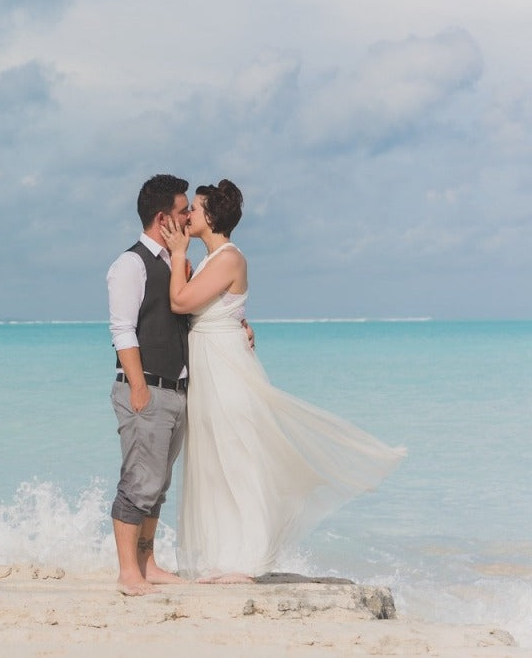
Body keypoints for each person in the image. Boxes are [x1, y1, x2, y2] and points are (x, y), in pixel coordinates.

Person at [159, 179, 406, 583]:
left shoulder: (228, 257)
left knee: (238, 460)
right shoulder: (208, 260)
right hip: (209, 367)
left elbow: (180, 302)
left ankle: (248, 562)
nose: (189, 216)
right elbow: (209, 308)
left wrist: (177, 253)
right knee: (214, 463)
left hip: (226, 370)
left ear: (212, 216)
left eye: (196, 209)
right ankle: (224, 556)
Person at [106, 174, 192, 595]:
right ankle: (128, 573)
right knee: (138, 482)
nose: (191, 216)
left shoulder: (175, 264)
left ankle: (148, 562)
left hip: (174, 390)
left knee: (158, 484)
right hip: (146, 388)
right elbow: (123, 330)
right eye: (184, 210)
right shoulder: (131, 263)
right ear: (163, 218)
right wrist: (138, 388)